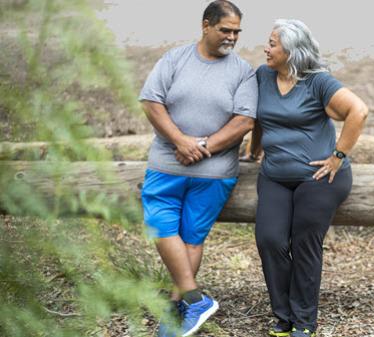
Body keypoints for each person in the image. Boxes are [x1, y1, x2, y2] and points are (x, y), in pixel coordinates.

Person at [138, 1, 257, 336]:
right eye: (225, 30)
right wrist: (179, 141)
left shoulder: (243, 71)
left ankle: (177, 312)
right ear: (206, 25)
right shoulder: (174, 59)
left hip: (214, 171)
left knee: (192, 236)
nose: (232, 37)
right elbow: (151, 102)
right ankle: (195, 299)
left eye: (236, 32)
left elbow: (244, 120)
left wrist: (201, 147)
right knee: (161, 227)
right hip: (166, 164)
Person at [251, 19, 368, 337]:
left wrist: (337, 156)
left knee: (304, 240)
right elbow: (260, 118)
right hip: (275, 175)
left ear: (291, 50)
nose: (266, 47)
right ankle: (284, 314)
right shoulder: (263, 76)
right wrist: (253, 150)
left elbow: (359, 111)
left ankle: (303, 322)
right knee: (270, 239)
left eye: (273, 43)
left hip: (319, 177)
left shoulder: (318, 82)